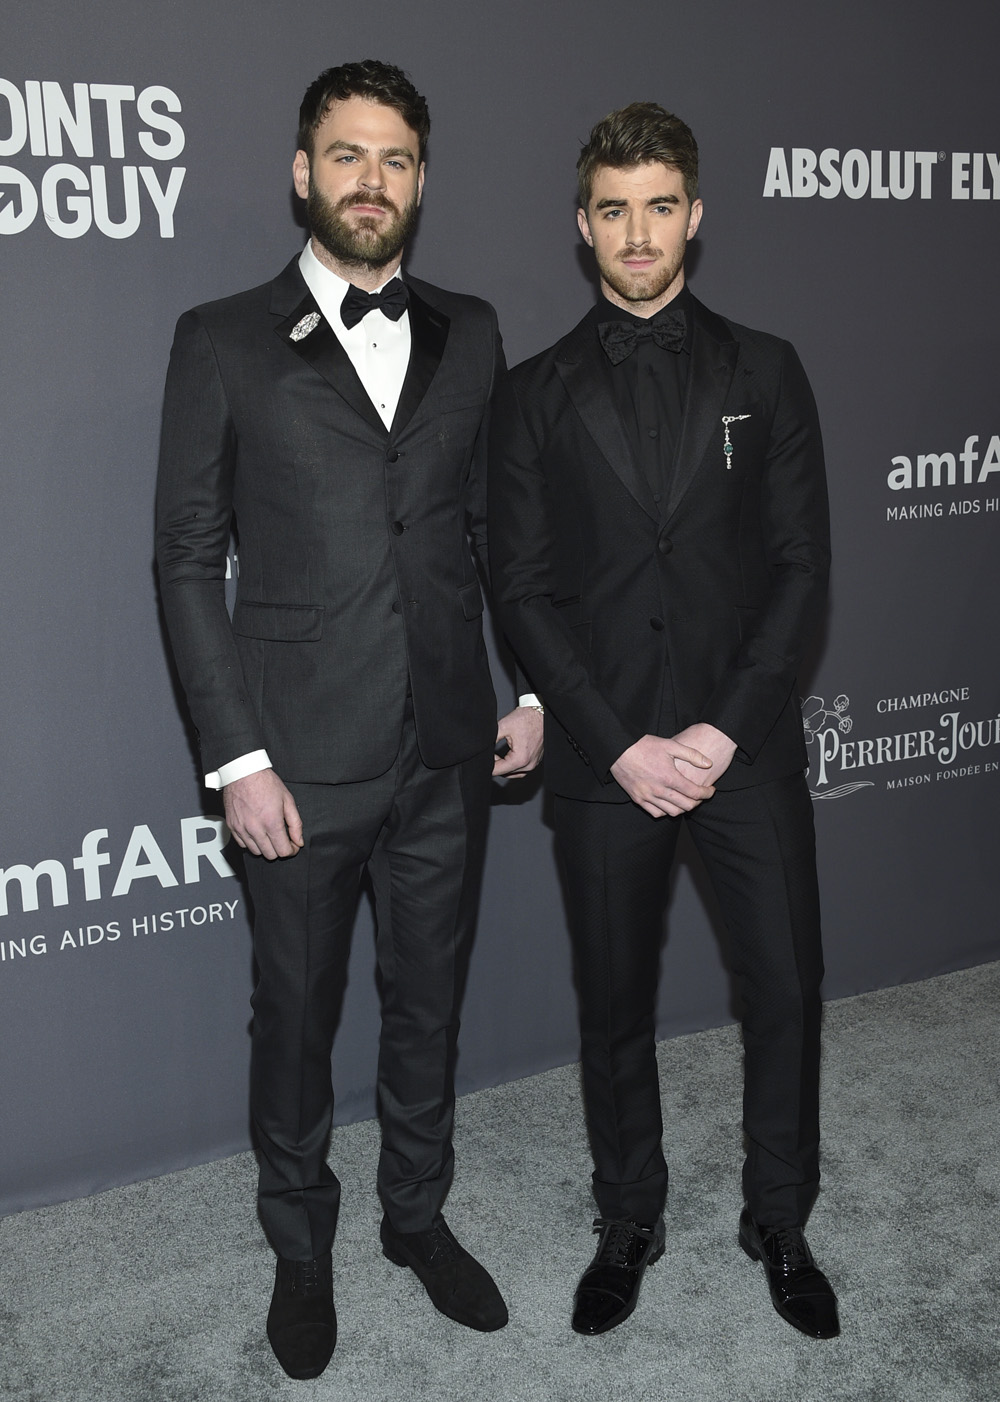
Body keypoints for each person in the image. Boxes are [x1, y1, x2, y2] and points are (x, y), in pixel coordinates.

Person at [155, 59, 542, 1380]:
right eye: (345, 155)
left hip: (448, 743)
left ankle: (417, 1218)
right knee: (299, 1013)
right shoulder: (219, 339)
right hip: (296, 763)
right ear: (301, 173)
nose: (368, 181)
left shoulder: (476, 330)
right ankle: (302, 1246)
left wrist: (531, 684)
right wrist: (237, 754)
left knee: (427, 1003)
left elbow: (499, 532)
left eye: (393, 159)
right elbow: (186, 556)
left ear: (420, 181)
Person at [488, 102, 838, 1340]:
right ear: (584, 227)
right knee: (614, 1002)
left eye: (660, 206)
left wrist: (724, 733)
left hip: (739, 750)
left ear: (696, 213)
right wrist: (618, 741)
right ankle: (628, 1211)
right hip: (603, 757)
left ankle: (780, 1215)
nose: (638, 232)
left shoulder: (769, 367)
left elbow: (800, 569)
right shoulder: (531, 395)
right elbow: (519, 587)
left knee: (786, 986)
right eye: (613, 210)